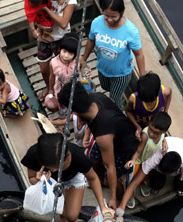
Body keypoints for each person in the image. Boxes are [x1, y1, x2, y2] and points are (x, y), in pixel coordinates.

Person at [58, 81, 138, 210]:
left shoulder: (103, 135)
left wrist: (112, 198)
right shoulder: (97, 97)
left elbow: (110, 166)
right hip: (112, 135)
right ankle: (99, 181)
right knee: (93, 161)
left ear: (75, 112)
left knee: (111, 175)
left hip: (124, 148)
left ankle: (119, 196)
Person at [21, 133, 112, 222]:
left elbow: (93, 178)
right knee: (54, 208)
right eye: (51, 167)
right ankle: (62, 214)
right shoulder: (33, 154)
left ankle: (64, 212)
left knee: (72, 216)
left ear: (68, 155)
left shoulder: (77, 156)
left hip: (72, 178)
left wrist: (103, 206)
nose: (55, 170)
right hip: (50, 182)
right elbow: (31, 178)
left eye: (58, 166)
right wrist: (40, 180)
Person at [118, 133, 183, 222]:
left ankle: (180, 177)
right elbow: (134, 183)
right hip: (166, 160)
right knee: (157, 184)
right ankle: (158, 176)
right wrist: (121, 207)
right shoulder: (157, 156)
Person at [80, 0, 146, 110]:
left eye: (114, 17)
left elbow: (139, 54)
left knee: (115, 99)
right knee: (105, 86)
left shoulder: (131, 31)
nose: (109, 20)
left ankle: (117, 113)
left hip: (121, 73)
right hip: (103, 68)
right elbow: (91, 40)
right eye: (106, 15)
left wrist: (142, 77)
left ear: (121, 12)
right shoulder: (96, 22)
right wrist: (83, 58)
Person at [38, 0, 79, 101]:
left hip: (61, 38)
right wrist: (38, 32)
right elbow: (33, 12)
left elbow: (63, 23)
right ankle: (48, 87)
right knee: (44, 69)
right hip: (45, 37)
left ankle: (60, 91)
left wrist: (46, 10)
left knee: (60, 68)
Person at [122, 111, 171, 210]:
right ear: (149, 123)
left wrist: (164, 141)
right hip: (139, 161)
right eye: (150, 129)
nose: (151, 133)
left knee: (145, 175)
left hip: (147, 160)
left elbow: (162, 137)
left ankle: (142, 182)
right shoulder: (145, 136)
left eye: (155, 133)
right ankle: (129, 193)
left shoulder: (162, 135)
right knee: (130, 180)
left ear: (164, 131)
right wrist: (133, 160)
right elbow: (138, 151)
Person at [25, 0, 57, 100]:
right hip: (43, 28)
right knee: (44, 69)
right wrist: (35, 30)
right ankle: (49, 87)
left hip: (57, 33)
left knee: (62, 64)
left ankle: (59, 88)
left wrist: (60, 1)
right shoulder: (28, 5)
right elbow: (30, 20)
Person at [45, 33, 89, 113]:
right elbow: (52, 76)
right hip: (61, 90)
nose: (66, 56)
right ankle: (63, 115)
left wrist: (85, 75)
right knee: (63, 107)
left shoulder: (79, 59)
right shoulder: (53, 63)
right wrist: (51, 89)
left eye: (70, 53)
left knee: (78, 105)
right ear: (60, 49)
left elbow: (84, 68)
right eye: (64, 51)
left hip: (77, 88)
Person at [124, 72, 172, 141]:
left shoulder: (164, 91)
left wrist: (165, 112)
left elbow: (169, 93)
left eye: (151, 101)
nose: (149, 103)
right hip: (135, 125)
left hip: (152, 127)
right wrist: (137, 127)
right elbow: (128, 112)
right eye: (145, 101)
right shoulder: (133, 99)